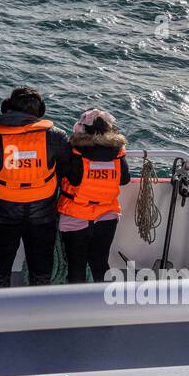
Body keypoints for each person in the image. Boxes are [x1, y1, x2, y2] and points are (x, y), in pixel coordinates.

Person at [0, 87, 77, 287]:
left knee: (2, 261)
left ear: (8, 107)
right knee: (41, 264)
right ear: (40, 110)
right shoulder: (56, 137)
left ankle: (0, 304)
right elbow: (66, 168)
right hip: (43, 211)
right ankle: (39, 306)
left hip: (4, 212)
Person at [57, 109, 131, 283]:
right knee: (99, 262)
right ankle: (102, 302)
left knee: (77, 265)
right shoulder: (117, 153)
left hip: (76, 214)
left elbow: (69, 178)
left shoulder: (75, 151)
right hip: (107, 215)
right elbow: (124, 179)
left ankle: (78, 304)